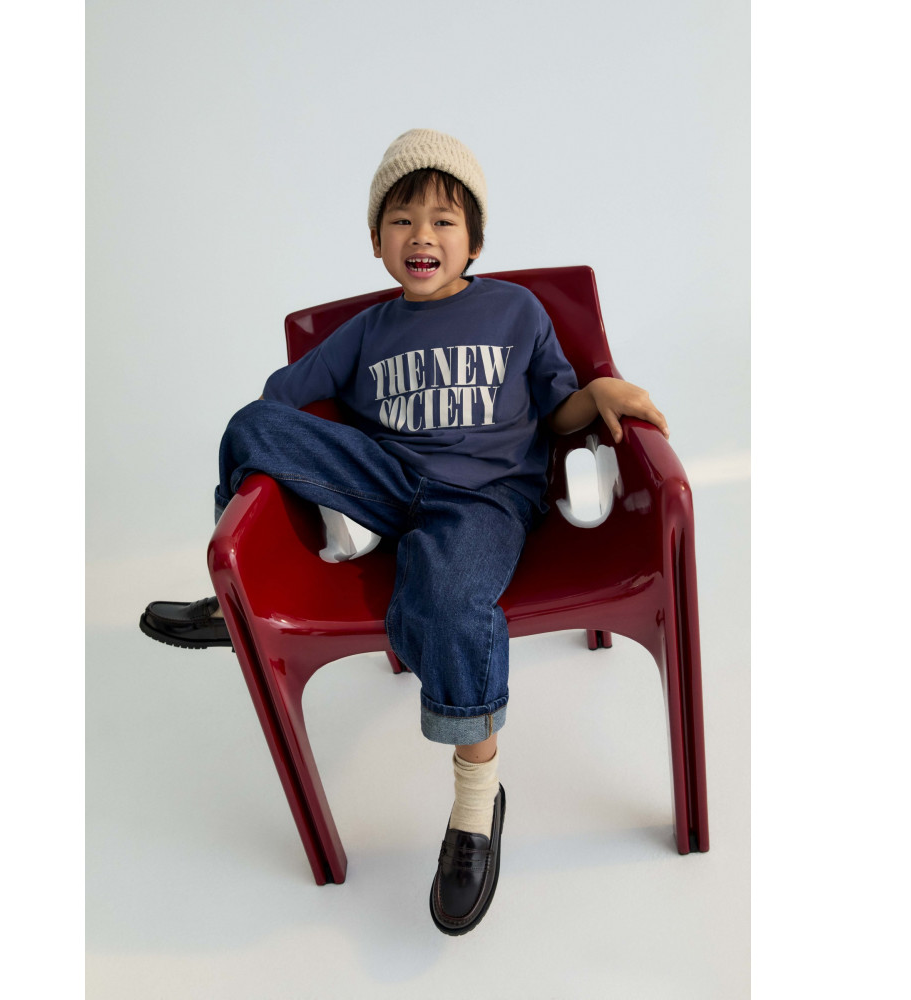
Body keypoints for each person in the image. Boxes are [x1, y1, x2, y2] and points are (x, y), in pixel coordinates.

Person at [139, 129, 668, 935]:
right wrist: (309, 453)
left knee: (448, 603)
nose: (422, 235)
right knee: (249, 426)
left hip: (484, 498)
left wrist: (597, 393)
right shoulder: (369, 329)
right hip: (389, 481)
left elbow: (557, 410)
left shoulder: (514, 310)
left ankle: (475, 804)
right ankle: (241, 593)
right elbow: (283, 399)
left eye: (443, 221)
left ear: (474, 242)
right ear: (377, 241)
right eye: (402, 220)